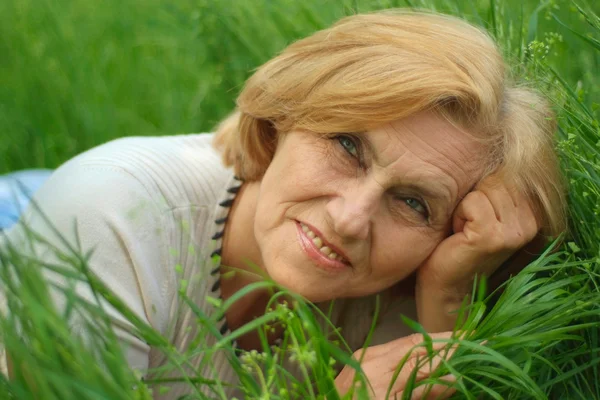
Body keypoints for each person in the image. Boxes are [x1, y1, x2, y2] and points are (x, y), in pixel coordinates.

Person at [0, 9, 566, 399]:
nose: (349, 219)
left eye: (414, 203)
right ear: (283, 117)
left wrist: (448, 299)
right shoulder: (106, 219)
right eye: (348, 146)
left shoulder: (411, 282)